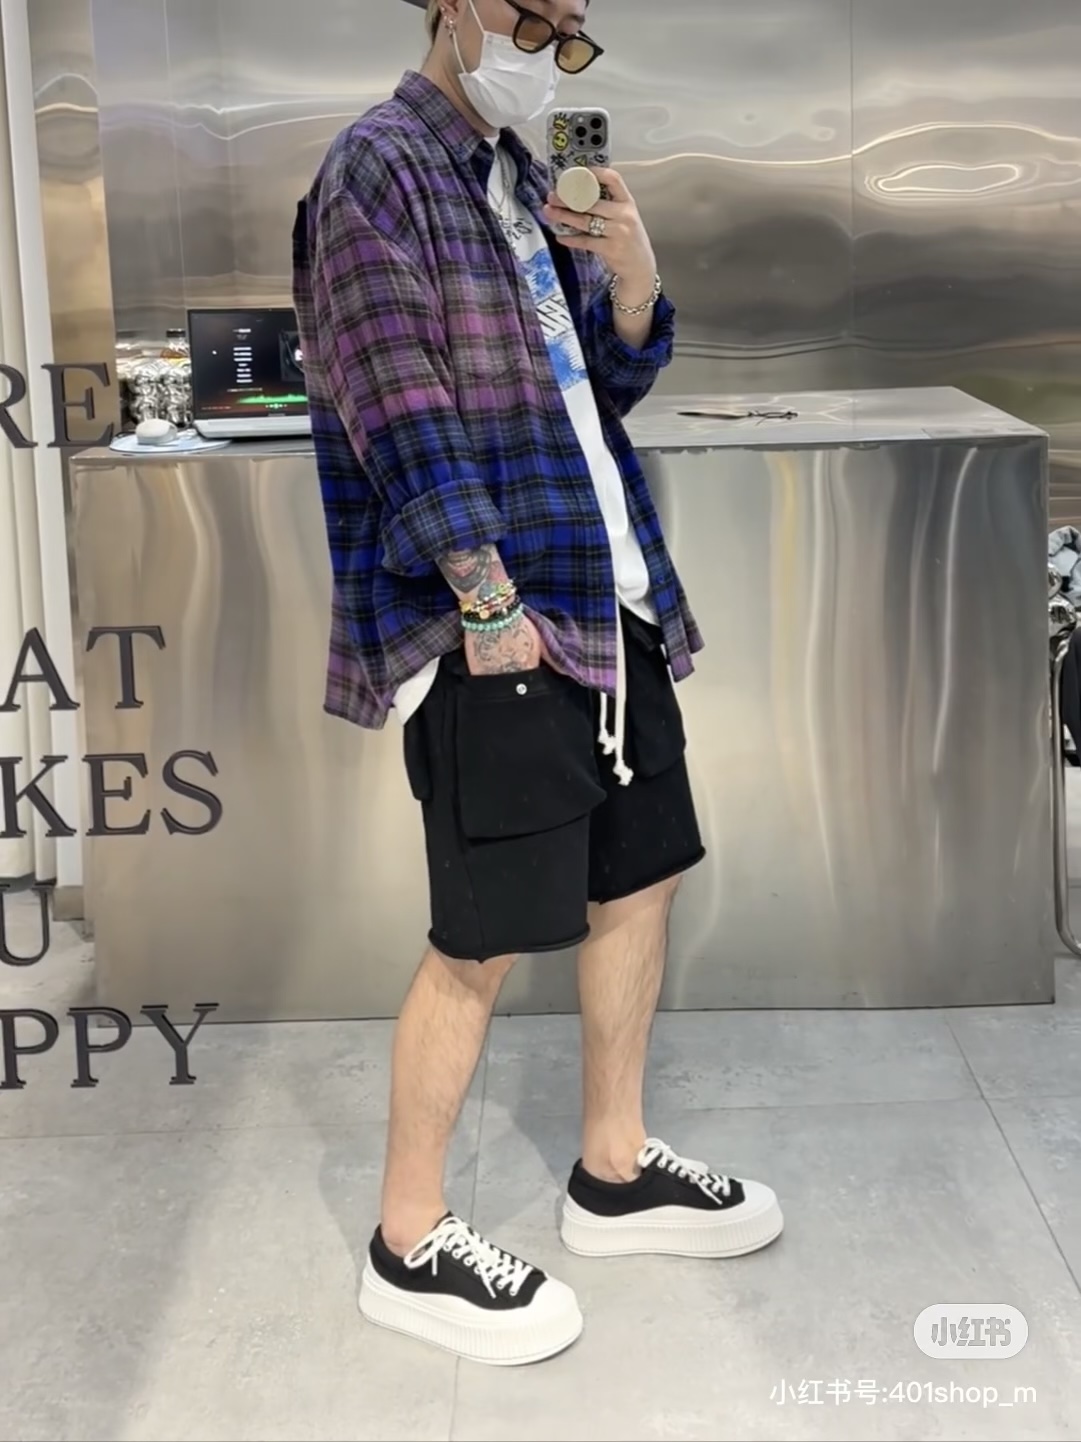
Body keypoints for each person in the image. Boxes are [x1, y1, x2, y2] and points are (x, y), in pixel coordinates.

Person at [293, 0, 782, 1367]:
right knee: (484, 935)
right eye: (529, 16)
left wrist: (631, 277)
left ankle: (612, 1168)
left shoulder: (520, 178)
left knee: (642, 877)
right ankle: (407, 1238)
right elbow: (395, 403)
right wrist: (483, 597)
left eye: (570, 34)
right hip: (502, 617)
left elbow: (595, 389)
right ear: (451, 4)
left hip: (610, 593)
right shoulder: (379, 169)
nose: (546, 47)